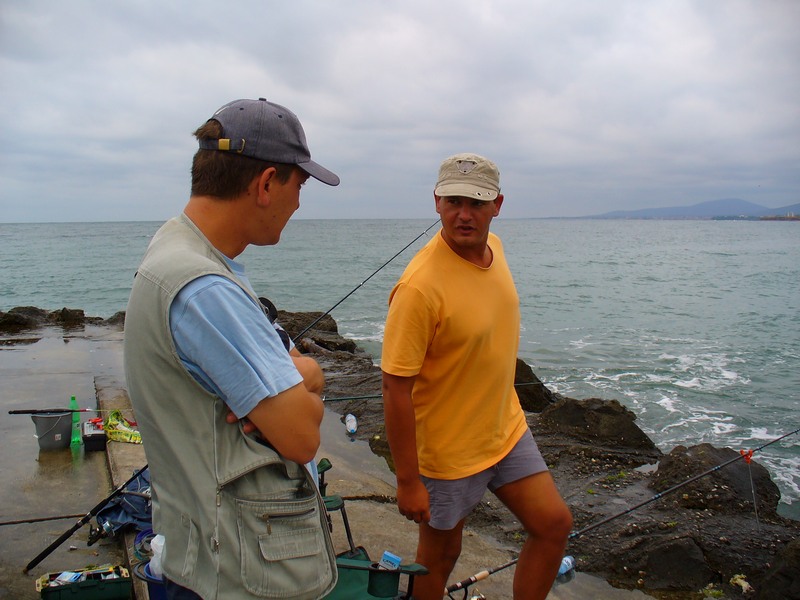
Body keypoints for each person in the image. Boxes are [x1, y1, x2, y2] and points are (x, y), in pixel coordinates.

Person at [124, 98, 339, 600]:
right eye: (299, 185)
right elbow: (302, 436)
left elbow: (295, 384)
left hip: (199, 553)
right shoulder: (206, 290)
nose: (298, 204)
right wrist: (304, 379)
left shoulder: (175, 249)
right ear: (266, 184)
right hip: (232, 573)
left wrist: (300, 373)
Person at [381, 153, 573, 600]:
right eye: (453, 201)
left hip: (505, 429)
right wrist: (408, 481)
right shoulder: (418, 287)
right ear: (437, 202)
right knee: (440, 556)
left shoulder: (496, 249)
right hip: (448, 452)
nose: (464, 214)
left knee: (553, 525)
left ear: (497, 205)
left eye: (477, 202)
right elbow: (394, 387)